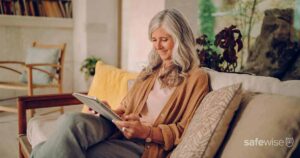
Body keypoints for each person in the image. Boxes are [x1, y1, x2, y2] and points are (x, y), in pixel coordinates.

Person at [30, 8, 209, 158]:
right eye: (154, 40)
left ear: (179, 39)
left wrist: (145, 132)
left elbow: (184, 130)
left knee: (76, 151)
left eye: (164, 39)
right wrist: (108, 111)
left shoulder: (196, 78)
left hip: (145, 143)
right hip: (119, 126)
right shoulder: (150, 71)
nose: (157, 46)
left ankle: (38, 153)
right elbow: (125, 106)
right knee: (70, 120)